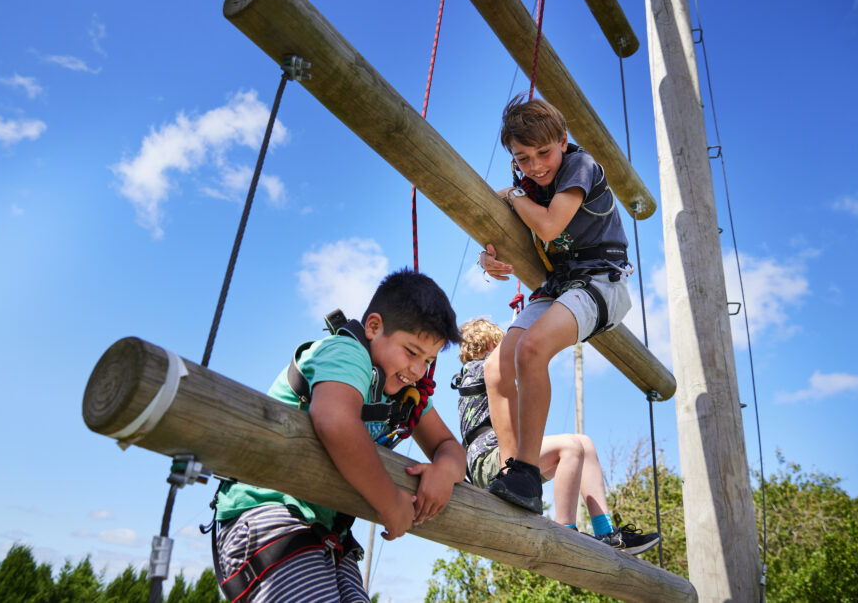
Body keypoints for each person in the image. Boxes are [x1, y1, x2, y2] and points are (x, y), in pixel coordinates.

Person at [211, 269, 466, 602]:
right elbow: (335, 422)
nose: (418, 370)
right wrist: (390, 504)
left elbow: (449, 447)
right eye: (412, 352)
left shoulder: (406, 394)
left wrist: (445, 470)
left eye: (429, 360)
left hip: (327, 532)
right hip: (267, 511)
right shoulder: (346, 353)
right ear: (374, 327)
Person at [479, 94, 634, 515]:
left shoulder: (580, 166)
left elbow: (548, 224)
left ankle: (528, 470)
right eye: (522, 158)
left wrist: (513, 195)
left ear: (563, 141)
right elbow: (488, 206)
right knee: (496, 367)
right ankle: (515, 472)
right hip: (560, 285)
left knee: (532, 350)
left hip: (603, 279)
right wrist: (486, 254)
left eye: (543, 153)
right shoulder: (525, 186)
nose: (536, 166)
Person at [453, 318, 659, 554]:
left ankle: (607, 531)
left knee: (585, 444)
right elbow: (521, 356)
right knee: (569, 447)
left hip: (507, 457)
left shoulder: (490, 370)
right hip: (489, 462)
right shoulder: (478, 369)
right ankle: (565, 530)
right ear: (490, 344)